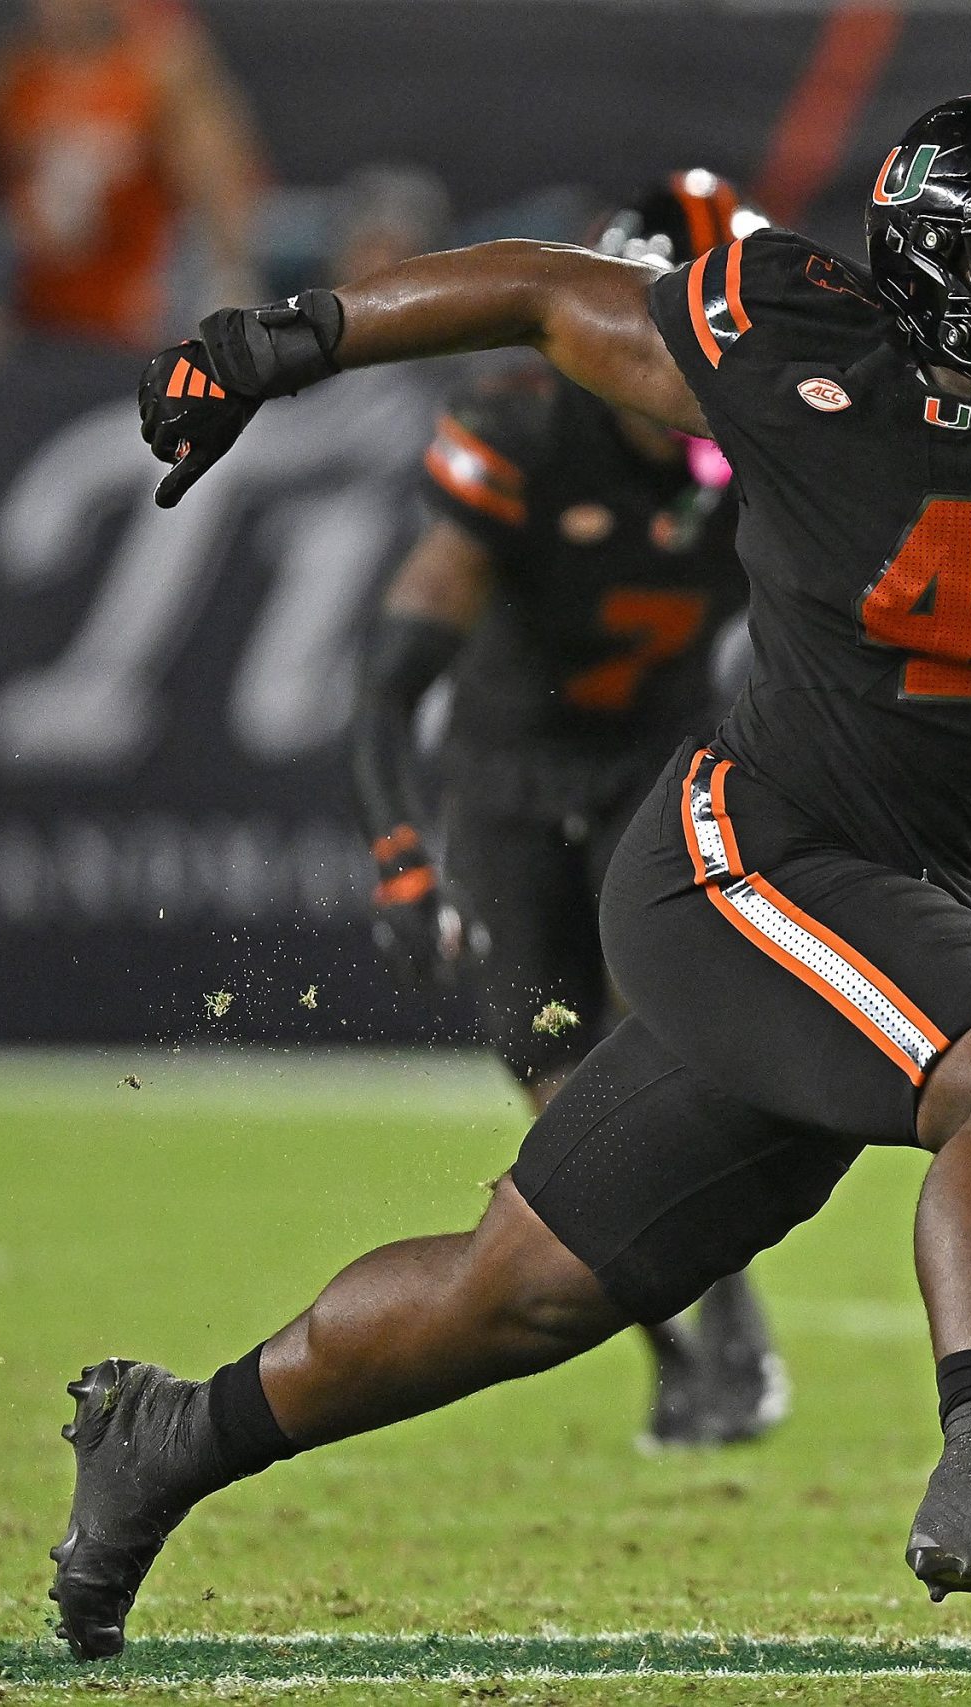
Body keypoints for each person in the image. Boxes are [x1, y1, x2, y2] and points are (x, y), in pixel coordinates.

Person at [45, 92, 971, 1659]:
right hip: (748, 860)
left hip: (903, 909)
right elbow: (537, 284)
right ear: (924, 274)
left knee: (516, 1289)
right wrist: (286, 337)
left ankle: (171, 1437)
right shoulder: (801, 346)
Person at [347, 171, 782, 1451]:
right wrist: (398, 851)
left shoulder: (776, 443)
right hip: (513, 778)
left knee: (684, 1045)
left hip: (662, 767)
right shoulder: (525, 428)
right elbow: (388, 680)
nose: (705, 372)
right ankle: (679, 1344)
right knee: (555, 1071)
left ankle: (730, 1318)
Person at [0, 0, 264, 347]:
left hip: (130, 322)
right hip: (35, 315)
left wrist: (228, 271)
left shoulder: (152, 77)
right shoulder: (16, 76)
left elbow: (219, 176)